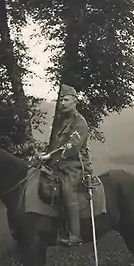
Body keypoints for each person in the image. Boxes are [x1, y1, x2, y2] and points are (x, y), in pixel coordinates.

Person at [40, 84, 93, 246]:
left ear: (75, 101)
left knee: (67, 189)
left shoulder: (80, 122)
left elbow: (73, 146)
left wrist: (51, 155)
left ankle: (75, 234)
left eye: (66, 99)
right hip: (61, 164)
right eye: (61, 100)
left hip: (76, 165)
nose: (62, 103)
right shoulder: (65, 122)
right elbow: (59, 145)